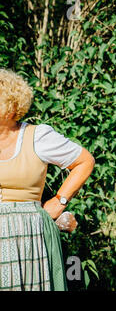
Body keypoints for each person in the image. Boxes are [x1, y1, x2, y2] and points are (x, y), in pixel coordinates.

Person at [0, 69, 95, 290]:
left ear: (9, 104)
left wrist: (60, 201)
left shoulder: (37, 136)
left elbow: (84, 161)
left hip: (25, 231)